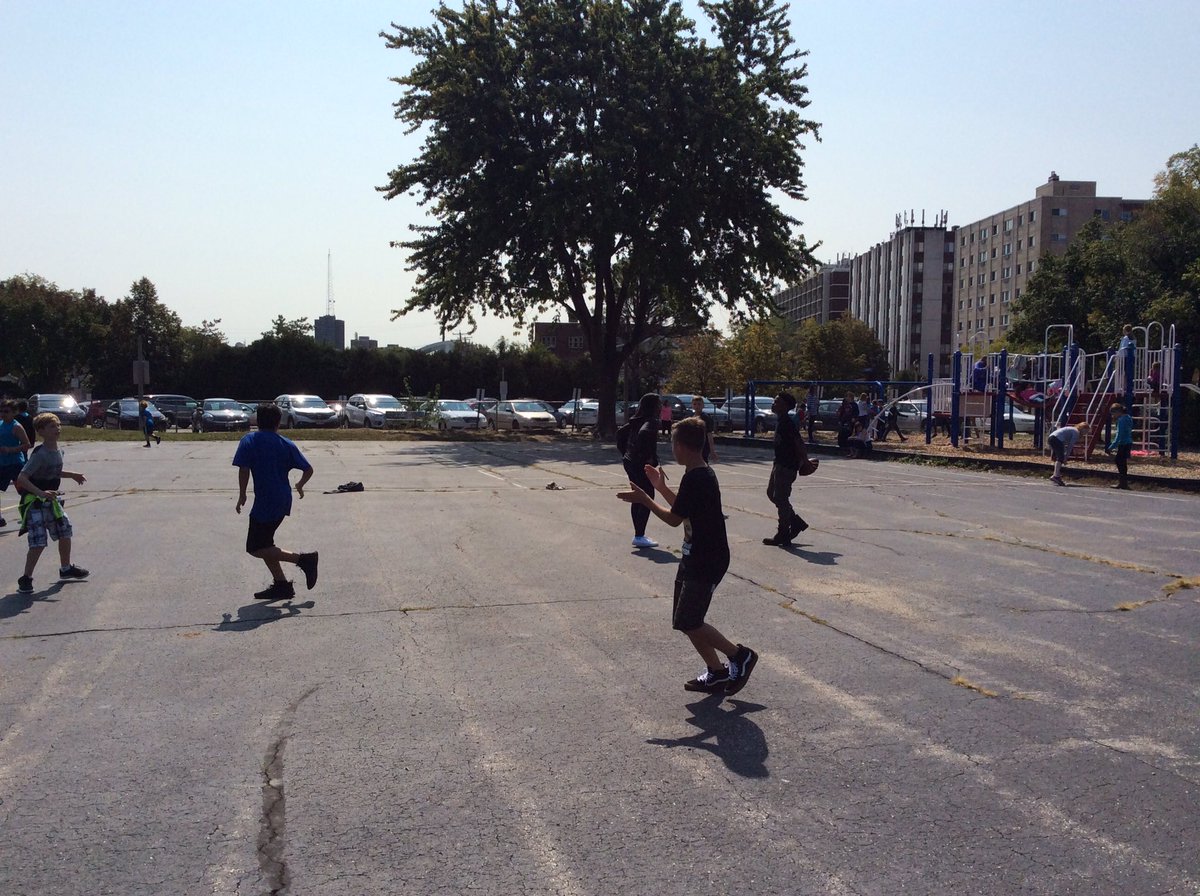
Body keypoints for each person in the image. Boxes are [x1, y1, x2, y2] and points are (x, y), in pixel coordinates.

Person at [617, 416, 758, 696]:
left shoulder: (698, 476)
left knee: (690, 620)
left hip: (708, 559)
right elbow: (683, 509)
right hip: (694, 555)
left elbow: (673, 519)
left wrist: (646, 499)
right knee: (684, 620)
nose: (671, 447)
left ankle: (739, 656)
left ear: (681, 446)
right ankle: (716, 673)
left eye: (672, 442)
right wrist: (659, 487)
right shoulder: (697, 473)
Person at [233, 402, 319, 601]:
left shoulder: (249, 440)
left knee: (255, 547)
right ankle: (282, 585)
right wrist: (299, 485)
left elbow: (243, 469)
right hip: (282, 499)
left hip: (266, 502)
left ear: (257, 420)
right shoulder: (285, 443)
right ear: (278, 422)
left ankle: (304, 560)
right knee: (265, 543)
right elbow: (308, 469)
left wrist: (242, 494)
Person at [14, 413, 89, 594]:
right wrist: (41, 493)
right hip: (35, 503)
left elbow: (55, 470)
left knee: (65, 530)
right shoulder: (39, 454)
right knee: (38, 542)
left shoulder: (58, 451)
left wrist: (72, 475)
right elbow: (21, 478)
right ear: (41, 431)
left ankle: (65, 569)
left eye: (57, 425)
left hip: (51, 501)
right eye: (52, 427)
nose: (57, 429)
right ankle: (26, 578)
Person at [763, 392, 809, 546]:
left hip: (787, 466)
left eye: (777, 402)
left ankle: (783, 533)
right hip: (779, 463)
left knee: (781, 499)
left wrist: (805, 461)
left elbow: (798, 442)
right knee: (772, 494)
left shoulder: (787, 423)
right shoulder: (781, 420)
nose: (774, 403)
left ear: (785, 406)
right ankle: (795, 521)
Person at [623, 393, 663, 549]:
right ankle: (639, 535)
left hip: (629, 461)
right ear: (653, 406)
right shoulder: (651, 422)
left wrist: (627, 452)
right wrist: (648, 457)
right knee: (647, 496)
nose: (660, 407)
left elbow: (621, 434)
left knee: (638, 496)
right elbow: (644, 434)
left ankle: (638, 534)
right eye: (658, 404)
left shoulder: (636, 419)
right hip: (639, 463)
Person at [1, 399, 33, 528]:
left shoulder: (17, 426)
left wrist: (11, 449)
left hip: (15, 464)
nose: (3, 414)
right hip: (2, 464)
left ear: (14, 412)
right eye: (1, 411)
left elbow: (27, 444)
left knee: (24, 491)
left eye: (6, 411)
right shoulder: (0, 424)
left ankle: (29, 515)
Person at [1107, 402, 1133, 490]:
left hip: (1123, 443)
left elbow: (1119, 435)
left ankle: (1123, 483)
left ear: (1118, 412)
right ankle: (1123, 482)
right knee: (1122, 462)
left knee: (1119, 461)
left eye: (1113, 414)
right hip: (1128, 442)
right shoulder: (1128, 417)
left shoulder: (1121, 420)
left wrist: (1111, 446)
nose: (1113, 416)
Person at [689, 395, 717, 464]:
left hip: (703, 446)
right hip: (693, 445)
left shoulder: (705, 418)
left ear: (703, 405)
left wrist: (712, 450)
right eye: (695, 404)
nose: (697, 406)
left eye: (699, 404)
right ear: (692, 405)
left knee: (702, 463)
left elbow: (709, 435)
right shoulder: (691, 418)